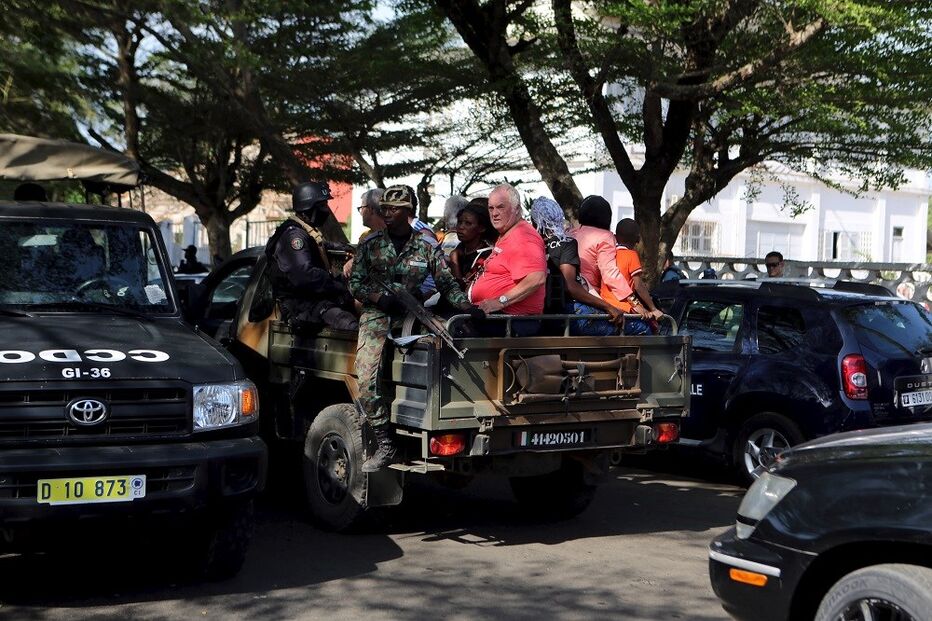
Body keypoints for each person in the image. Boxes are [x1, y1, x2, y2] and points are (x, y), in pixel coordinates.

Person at [350, 184, 483, 471]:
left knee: (442, 358)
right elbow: (356, 283)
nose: (386, 213)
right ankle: (385, 442)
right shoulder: (371, 244)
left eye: (393, 209)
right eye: (384, 208)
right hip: (377, 316)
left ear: (408, 212)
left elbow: (446, 283)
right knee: (365, 378)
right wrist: (379, 298)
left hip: (413, 315)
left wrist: (467, 308)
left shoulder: (425, 246)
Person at [265, 181, 358, 332]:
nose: (325, 210)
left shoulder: (305, 231)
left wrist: (349, 249)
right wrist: (339, 284)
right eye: (321, 206)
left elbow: (322, 245)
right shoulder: (294, 236)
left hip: (314, 299)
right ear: (308, 208)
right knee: (349, 324)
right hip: (300, 304)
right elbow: (305, 275)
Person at [529, 197, 622, 335]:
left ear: (533, 220)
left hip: (535, 315)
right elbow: (570, 286)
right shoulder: (566, 242)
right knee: (638, 327)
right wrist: (609, 307)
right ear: (558, 215)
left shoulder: (529, 245)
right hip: (567, 313)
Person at [469, 183, 547, 336]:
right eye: (491, 208)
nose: (494, 213)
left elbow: (536, 278)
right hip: (496, 317)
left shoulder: (524, 237)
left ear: (516, 209)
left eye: (500, 207)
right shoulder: (508, 232)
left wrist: (500, 301)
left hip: (512, 322)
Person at [569, 195, 634, 315]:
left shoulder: (570, 233)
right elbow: (610, 274)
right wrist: (634, 302)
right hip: (589, 302)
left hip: (567, 301)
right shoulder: (605, 237)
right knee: (643, 328)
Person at [601, 219, 664, 335]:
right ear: (638, 239)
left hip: (604, 304)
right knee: (650, 329)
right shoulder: (632, 255)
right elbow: (638, 285)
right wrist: (653, 309)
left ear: (615, 236)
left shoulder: (608, 253)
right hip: (623, 306)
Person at [448, 200, 495, 287]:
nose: (461, 227)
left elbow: (462, 289)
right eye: (459, 222)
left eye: (468, 223)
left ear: (482, 228)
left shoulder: (486, 256)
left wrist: (454, 259)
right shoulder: (461, 248)